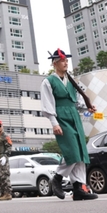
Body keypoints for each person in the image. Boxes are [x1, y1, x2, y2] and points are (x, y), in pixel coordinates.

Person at [40, 49, 97, 201]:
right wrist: (54, 122)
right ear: (55, 63)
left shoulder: (71, 81)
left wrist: (88, 108)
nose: (66, 63)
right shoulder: (48, 81)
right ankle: (57, 178)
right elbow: (47, 104)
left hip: (74, 116)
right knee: (71, 150)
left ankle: (79, 187)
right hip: (61, 117)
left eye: (67, 60)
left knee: (80, 151)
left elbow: (77, 102)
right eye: (63, 60)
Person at [0, 120, 12, 201]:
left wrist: (5, 156)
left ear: (2, 126)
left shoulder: (5, 135)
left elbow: (9, 146)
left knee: (4, 176)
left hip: (2, 158)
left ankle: (7, 193)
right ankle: (3, 193)